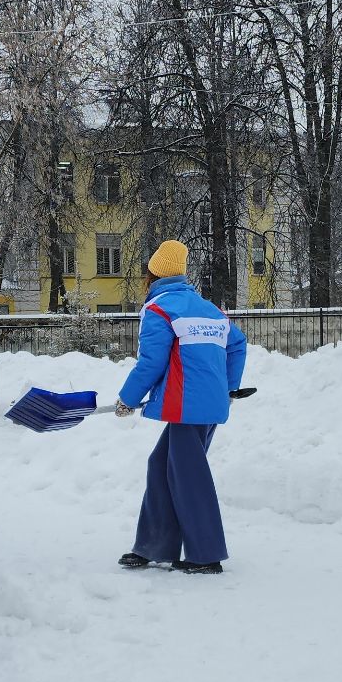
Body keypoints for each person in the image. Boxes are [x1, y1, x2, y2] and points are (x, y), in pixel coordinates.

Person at [114, 241, 247, 574]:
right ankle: (154, 546)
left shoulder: (159, 309)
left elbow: (151, 362)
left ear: (151, 275)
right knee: (161, 465)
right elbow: (238, 344)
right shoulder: (209, 309)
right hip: (208, 404)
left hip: (186, 404)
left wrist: (128, 399)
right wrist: (228, 387)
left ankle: (206, 555)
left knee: (188, 476)